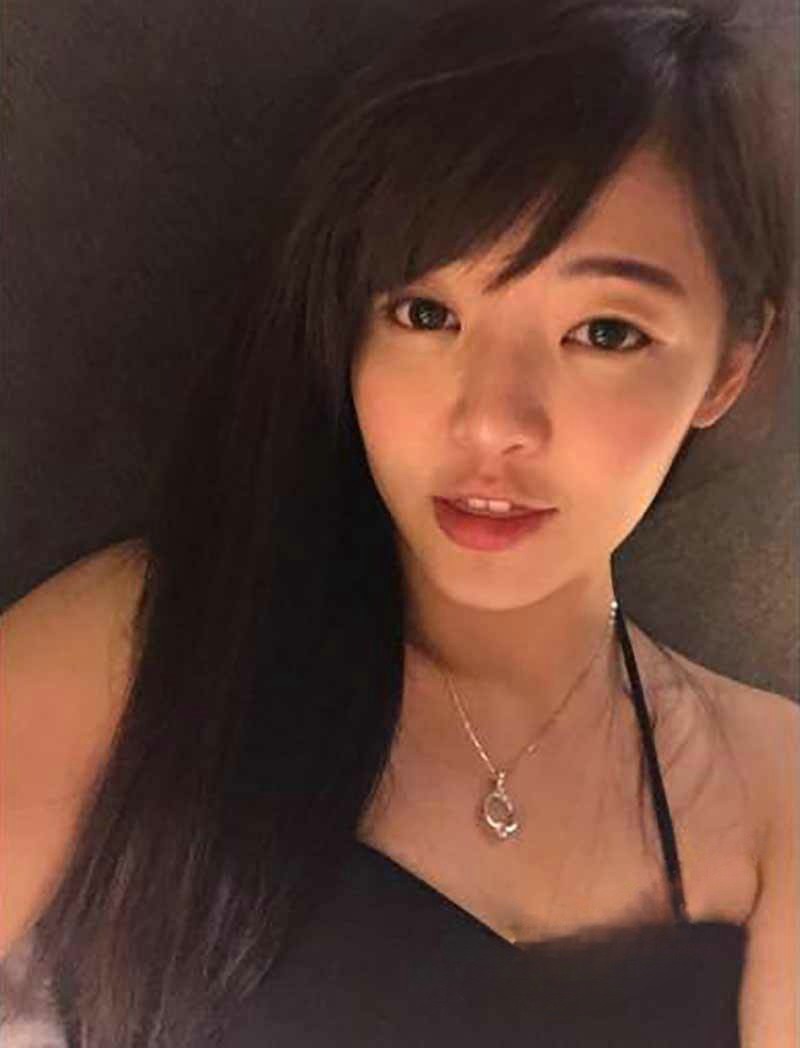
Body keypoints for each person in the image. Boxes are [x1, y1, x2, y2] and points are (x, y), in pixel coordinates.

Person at [1, 0, 797, 1045]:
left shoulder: (773, 792)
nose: (491, 422)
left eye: (604, 332)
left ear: (728, 368)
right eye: (426, 315)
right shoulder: (153, 645)